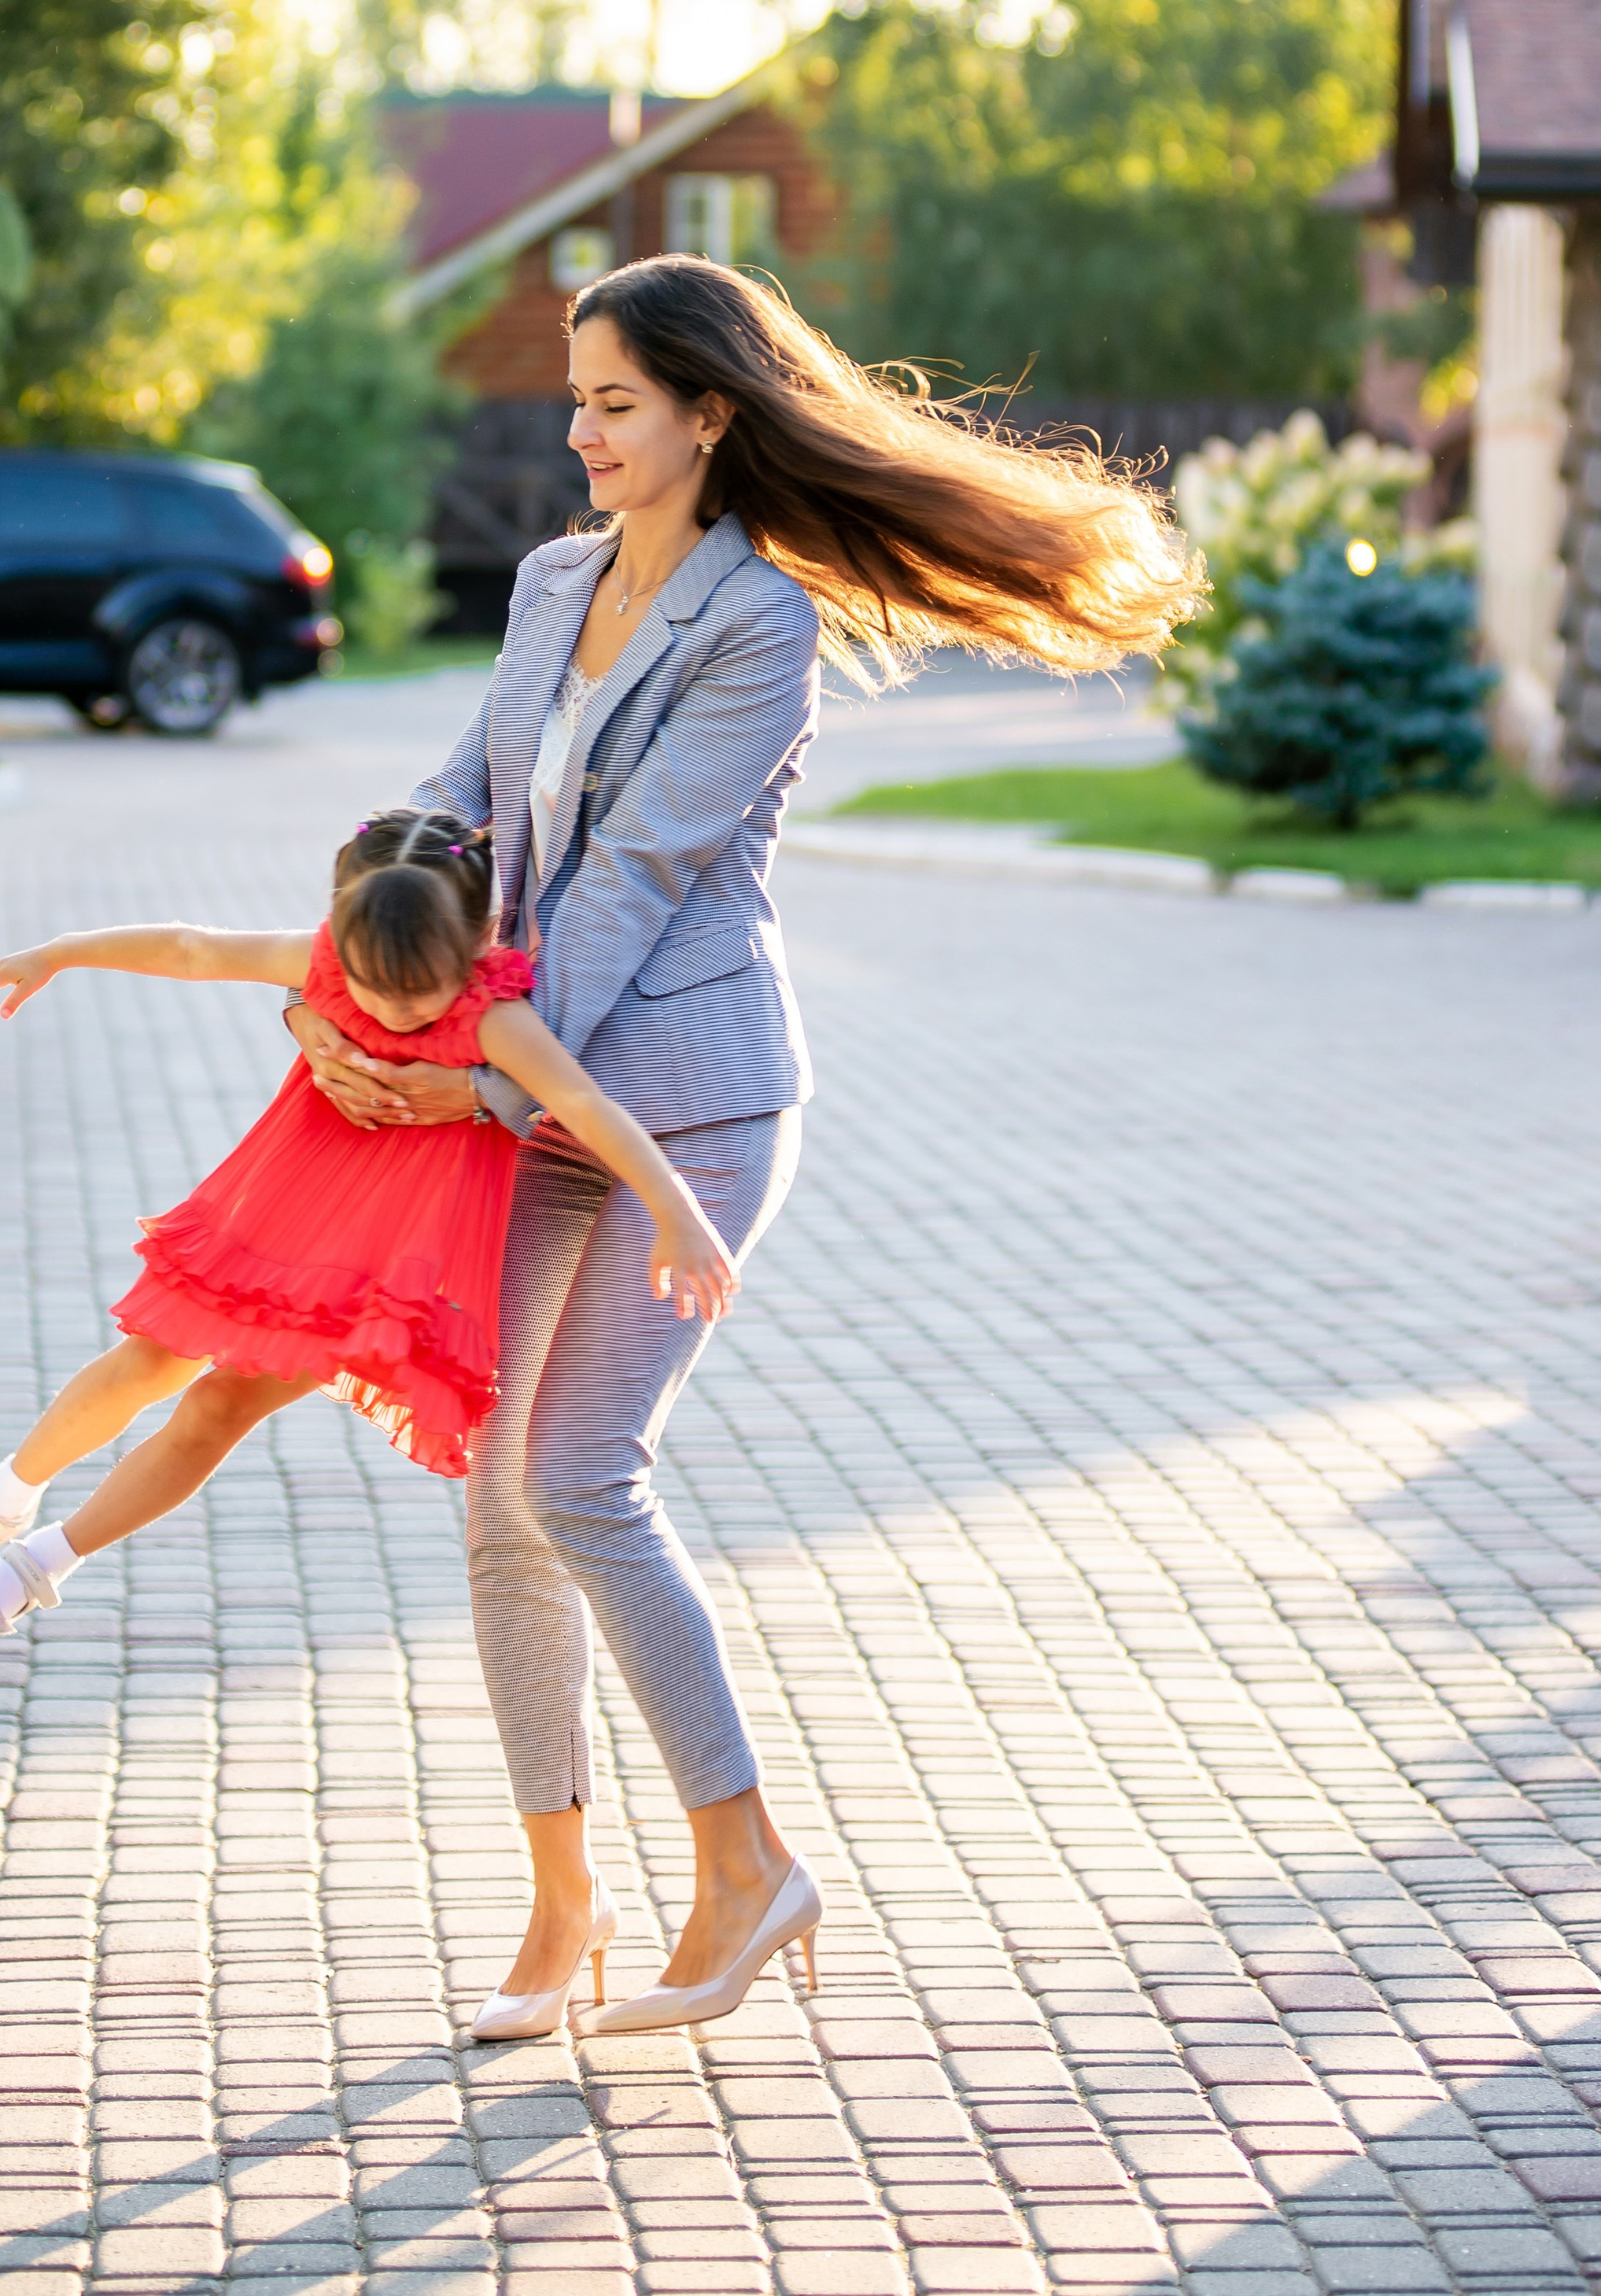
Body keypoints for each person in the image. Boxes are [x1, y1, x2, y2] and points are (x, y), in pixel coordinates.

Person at [284, 253, 1199, 2042]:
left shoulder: (753, 623)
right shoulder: (552, 582)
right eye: (577, 397)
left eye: (617, 401)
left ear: (712, 414)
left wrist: (480, 1077)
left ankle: (746, 1863)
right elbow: (453, 802)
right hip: (524, 1079)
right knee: (495, 1499)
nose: (581, 430)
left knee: (579, 1476)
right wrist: (349, 973)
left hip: (679, 1106)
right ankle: (565, 1909)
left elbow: (630, 882)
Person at [0, 798, 740, 1920]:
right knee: (152, 1357)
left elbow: (589, 1104)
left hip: (381, 1264)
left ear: (475, 952)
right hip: (280, 1209)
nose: (388, 1012)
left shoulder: (497, 1018)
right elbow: (195, 947)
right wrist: (64, 950)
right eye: (372, 987)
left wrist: (678, 1212)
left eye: (412, 996)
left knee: (222, 1409)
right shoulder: (334, 965)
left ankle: (35, 1562)